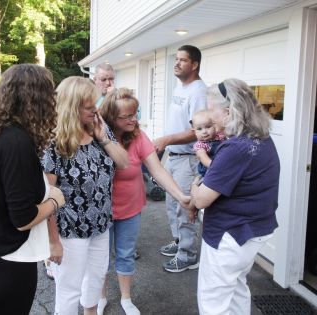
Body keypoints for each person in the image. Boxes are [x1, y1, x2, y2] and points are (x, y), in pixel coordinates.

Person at [0, 64, 65, 315]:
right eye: (49, 94)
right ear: (37, 98)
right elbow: (23, 218)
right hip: (8, 265)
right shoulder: (16, 142)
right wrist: (55, 200)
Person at [97, 88, 191, 315]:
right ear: (111, 117)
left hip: (130, 208)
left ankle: (126, 299)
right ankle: (98, 297)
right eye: (126, 116)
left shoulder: (138, 136)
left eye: (135, 113)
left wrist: (182, 197)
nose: (133, 119)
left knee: (125, 253)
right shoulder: (96, 137)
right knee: (99, 258)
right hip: (101, 210)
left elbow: (157, 170)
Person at [191, 79, 280, 315]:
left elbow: (201, 200)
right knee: (238, 290)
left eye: (212, 110)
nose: (209, 116)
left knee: (214, 304)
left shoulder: (236, 148)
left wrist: (193, 188)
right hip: (251, 233)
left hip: (230, 234)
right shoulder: (261, 138)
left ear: (228, 112)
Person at [42, 76, 129, 315]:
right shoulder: (54, 143)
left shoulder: (99, 129)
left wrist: (103, 139)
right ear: (72, 107)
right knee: (69, 288)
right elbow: (47, 196)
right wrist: (52, 241)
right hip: (70, 229)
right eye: (90, 106)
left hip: (101, 223)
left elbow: (123, 163)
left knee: (96, 278)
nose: (96, 110)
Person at [153, 45, 207, 272]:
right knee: (172, 204)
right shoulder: (181, 87)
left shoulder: (198, 91)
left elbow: (198, 130)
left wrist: (166, 140)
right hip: (174, 156)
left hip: (187, 158)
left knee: (185, 207)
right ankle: (178, 242)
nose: (176, 63)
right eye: (176, 59)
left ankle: (188, 255)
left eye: (182, 60)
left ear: (194, 65)